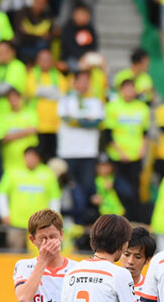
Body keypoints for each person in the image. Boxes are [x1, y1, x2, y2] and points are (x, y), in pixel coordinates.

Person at [57, 70, 104, 225]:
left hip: (88, 152)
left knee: (87, 189)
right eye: (81, 80)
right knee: (68, 189)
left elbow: (97, 122)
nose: (84, 84)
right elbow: (67, 119)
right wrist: (86, 121)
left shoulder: (95, 102)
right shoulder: (65, 100)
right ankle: (68, 222)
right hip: (68, 152)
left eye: (87, 81)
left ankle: (83, 224)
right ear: (75, 82)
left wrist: (78, 120)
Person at [0, 146, 61, 250]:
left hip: (41, 224)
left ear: (38, 158)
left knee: (42, 252)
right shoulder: (13, 172)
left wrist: (53, 218)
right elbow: (1, 194)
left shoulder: (47, 173)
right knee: (14, 251)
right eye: (28, 156)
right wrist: (4, 214)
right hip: (16, 221)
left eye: (33, 157)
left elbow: (55, 197)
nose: (30, 160)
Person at [104, 79, 150, 221]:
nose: (129, 91)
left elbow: (145, 132)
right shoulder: (113, 106)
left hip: (136, 156)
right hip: (118, 157)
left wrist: (143, 149)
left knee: (135, 189)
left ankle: (133, 219)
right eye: (126, 88)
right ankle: (118, 218)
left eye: (132, 88)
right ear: (121, 90)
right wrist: (120, 152)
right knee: (119, 188)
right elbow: (108, 134)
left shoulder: (142, 107)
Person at [25, 48, 67, 163]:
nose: (45, 62)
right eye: (43, 59)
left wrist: (42, 91)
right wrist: (53, 92)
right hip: (38, 125)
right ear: (37, 61)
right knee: (39, 157)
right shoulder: (32, 74)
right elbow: (33, 91)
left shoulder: (57, 75)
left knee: (54, 158)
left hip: (55, 125)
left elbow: (62, 93)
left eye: (48, 59)